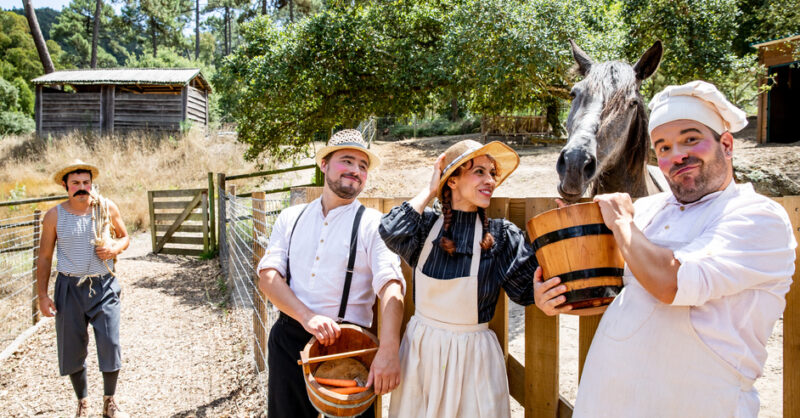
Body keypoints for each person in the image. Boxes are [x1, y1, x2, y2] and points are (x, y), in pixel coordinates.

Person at [534, 80, 797, 417]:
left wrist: (623, 224)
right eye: (663, 147)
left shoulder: (759, 218)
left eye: (691, 139)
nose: (677, 156)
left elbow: (671, 284)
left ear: (727, 144)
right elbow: (618, 294)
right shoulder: (647, 210)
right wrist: (555, 297)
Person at [379, 139, 539, 418]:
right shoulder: (426, 229)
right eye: (479, 171)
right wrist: (431, 189)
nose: (489, 180)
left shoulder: (500, 237)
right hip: (420, 355)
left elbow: (527, 291)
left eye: (492, 173)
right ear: (451, 181)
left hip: (473, 359)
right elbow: (390, 229)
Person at [257, 129, 405, 418]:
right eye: (347, 161)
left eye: (363, 166)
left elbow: (391, 286)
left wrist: (388, 349)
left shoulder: (373, 224)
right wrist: (307, 317)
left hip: (351, 347)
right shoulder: (291, 217)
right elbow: (268, 277)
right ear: (323, 164)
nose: (355, 171)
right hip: (290, 340)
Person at [37, 160, 130, 418]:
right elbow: (44, 257)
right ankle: (83, 401)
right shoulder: (54, 216)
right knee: (72, 346)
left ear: (92, 184)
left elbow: (125, 237)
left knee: (110, 342)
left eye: (86, 183)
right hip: (69, 287)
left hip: (104, 285)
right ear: (66, 186)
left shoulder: (106, 207)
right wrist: (43, 295)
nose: (81, 188)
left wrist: (114, 248)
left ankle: (110, 401)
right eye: (75, 183)